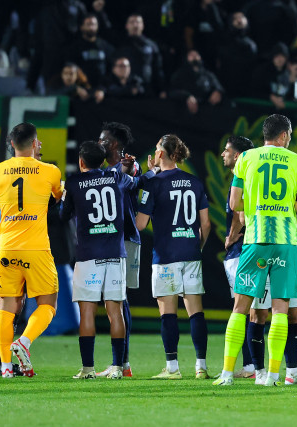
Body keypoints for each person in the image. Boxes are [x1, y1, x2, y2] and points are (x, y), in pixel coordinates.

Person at [212, 114, 297, 386]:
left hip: (255, 240)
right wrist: (284, 206)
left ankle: (226, 374)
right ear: (283, 135)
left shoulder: (246, 158)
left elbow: (234, 203)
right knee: (280, 310)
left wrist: (257, 206)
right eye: (289, 135)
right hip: (286, 243)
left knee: (240, 308)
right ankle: (272, 376)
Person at [0, 122, 64, 378]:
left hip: (8, 248)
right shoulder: (50, 171)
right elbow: (59, 197)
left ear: (12, 144)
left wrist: (2, 234)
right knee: (48, 304)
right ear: (35, 143)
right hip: (37, 248)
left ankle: (5, 367)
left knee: (6, 308)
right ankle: (24, 342)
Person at [60, 141, 142, 379]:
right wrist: (140, 169)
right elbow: (137, 182)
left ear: (81, 161)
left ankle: (88, 369)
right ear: (104, 161)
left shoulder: (74, 182)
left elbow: (64, 215)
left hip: (88, 256)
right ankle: (117, 367)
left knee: (87, 312)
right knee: (115, 311)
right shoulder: (116, 177)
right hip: (115, 254)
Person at [136, 134, 211, 379]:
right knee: (196, 312)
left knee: (168, 313)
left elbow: (140, 224)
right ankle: (201, 367)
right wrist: (198, 246)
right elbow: (206, 224)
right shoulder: (194, 182)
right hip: (191, 253)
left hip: (166, 256)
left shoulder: (154, 183)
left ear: (160, 153)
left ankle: (172, 368)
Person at [247, 172, 297, 386]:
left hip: (286, 250)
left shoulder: (293, 172)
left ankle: (292, 372)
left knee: (292, 314)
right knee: (258, 314)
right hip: (261, 249)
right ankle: (260, 372)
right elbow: (240, 212)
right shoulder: (255, 172)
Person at [96, 122, 150, 378]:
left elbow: (134, 175)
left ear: (114, 144)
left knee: (118, 300)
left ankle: (122, 363)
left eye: (103, 140)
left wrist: (128, 167)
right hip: (112, 240)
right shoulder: (106, 170)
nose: (99, 144)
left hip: (125, 239)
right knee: (118, 299)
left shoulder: (127, 165)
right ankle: (122, 363)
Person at [221, 136, 256, 378]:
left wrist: (232, 235)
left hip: (242, 252)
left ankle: (251, 365)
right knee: (253, 309)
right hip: (250, 250)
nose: (223, 154)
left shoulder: (242, 178)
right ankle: (253, 364)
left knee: (243, 309)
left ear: (237, 155)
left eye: (227, 150)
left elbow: (239, 212)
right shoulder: (250, 177)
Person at [117, 13, 165, 97]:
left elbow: (158, 68)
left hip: (148, 88)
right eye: (132, 22)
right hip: (126, 89)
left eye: (138, 22)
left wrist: (161, 89)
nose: (135, 25)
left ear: (142, 25)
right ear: (127, 26)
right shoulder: (120, 44)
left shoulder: (151, 45)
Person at [66, 14, 115, 89]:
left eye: (94, 24)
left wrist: (103, 88)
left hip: (102, 88)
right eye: (88, 24)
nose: (91, 27)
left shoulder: (105, 46)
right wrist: (77, 87)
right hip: (82, 87)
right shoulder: (74, 47)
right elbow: (70, 68)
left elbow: (111, 68)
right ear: (81, 27)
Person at [169, 50, 225, 114]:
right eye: (191, 55)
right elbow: (172, 91)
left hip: (208, 108)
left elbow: (218, 86)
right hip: (187, 110)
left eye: (196, 55)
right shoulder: (179, 74)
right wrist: (187, 97)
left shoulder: (208, 74)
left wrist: (217, 91)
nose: (194, 57)